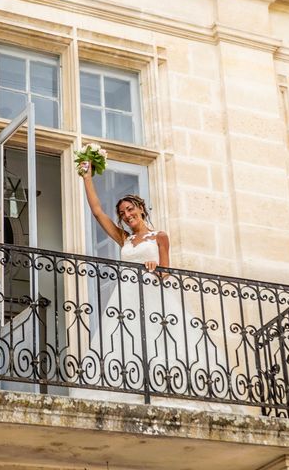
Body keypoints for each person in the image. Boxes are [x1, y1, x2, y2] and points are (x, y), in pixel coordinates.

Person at [78, 161, 225, 399]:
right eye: (123, 213)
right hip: (126, 297)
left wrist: (155, 267)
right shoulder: (124, 238)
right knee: (125, 340)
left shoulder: (160, 236)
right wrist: (87, 177)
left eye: (129, 209)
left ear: (141, 209)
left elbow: (166, 272)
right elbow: (97, 211)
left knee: (160, 339)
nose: (126, 215)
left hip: (153, 294)